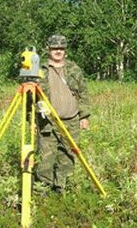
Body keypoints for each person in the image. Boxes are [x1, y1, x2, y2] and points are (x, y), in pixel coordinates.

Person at [35, 34, 91, 193]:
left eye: (61, 48)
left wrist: (84, 116)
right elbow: (30, 99)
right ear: (48, 49)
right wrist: (31, 120)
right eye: (54, 48)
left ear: (65, 50)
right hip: (48, 122)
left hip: (71, 121)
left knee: (67, 156)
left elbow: (83, 93)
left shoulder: (74, 69)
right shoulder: (40, 70)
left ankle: (61, 188)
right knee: (46, 158)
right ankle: (42, 190)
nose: (58, 51)